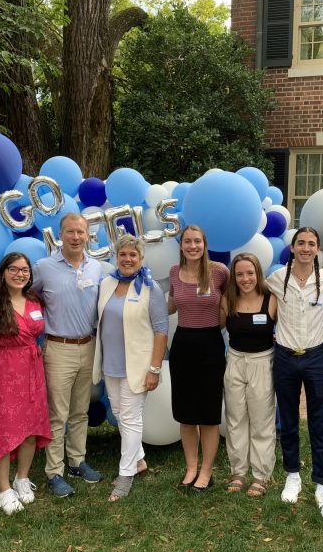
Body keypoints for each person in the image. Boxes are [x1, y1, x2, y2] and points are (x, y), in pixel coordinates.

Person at [266, 226, 323, 519]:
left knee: (320, 421)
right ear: (293, 248)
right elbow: (269, 314)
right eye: (301, 243)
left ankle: (322, 483)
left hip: (316, 357)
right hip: (284, 357)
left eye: (312, 244)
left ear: (318, 249)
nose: (306, 248)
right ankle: (292, 474)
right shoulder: (276, 279)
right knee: (289, 418)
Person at [92, 235, 168, 501]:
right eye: (123, 254)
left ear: (141, 258)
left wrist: (155, 369)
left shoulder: (150, 288)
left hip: (138, 366)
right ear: (117, 257)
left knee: (132, 418)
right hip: (110, 364)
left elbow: (161, 331)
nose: (127, 259)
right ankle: (140, 460)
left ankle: (125, 475)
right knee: (120, 414)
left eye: (132, 255)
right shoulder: (108, 284)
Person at [33, 213, 104, 497]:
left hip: (88, 346)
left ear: (88, 235)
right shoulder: (44, 267)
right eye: (70, 232)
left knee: (80, 411)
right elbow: (21, 293)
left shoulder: (97, 268)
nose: (76, 237)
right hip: (58, 348)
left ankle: (77, 461)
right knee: (57, 414)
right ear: (59, 235)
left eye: (81, 232)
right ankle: (54, 472)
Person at [0, 253, 52, 515]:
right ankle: (3, 490)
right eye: (14, 269)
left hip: (32, 368)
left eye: (25, 270)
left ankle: (21, 478)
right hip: (4, 371)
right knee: (3, 429)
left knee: (32, 427)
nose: (20, 274)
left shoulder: (34, 300)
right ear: (3, 272)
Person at [168, 225, 229, 493]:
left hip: (210, 344)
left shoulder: (219, 273)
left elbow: (229, 306)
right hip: (183, 345)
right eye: (187, 242)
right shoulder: (173, 272)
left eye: (197, 241)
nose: (192, 246)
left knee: (208, 413)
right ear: (181, 245)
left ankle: (206, 471)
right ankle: (191, 468)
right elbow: (171, 305)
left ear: (204, 244)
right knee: (186, 413)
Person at [220, 252, 277, 497]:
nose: (245, 278)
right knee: (235, 419)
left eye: (250, 273)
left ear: (258, 274)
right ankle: (238, 471)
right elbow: (215, 327)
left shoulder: (271, 299)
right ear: (234, 277)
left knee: (261, 420)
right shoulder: (227, 300)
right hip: (234, 361)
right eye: (240, 274)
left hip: (262, 362)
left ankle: (261, 474)